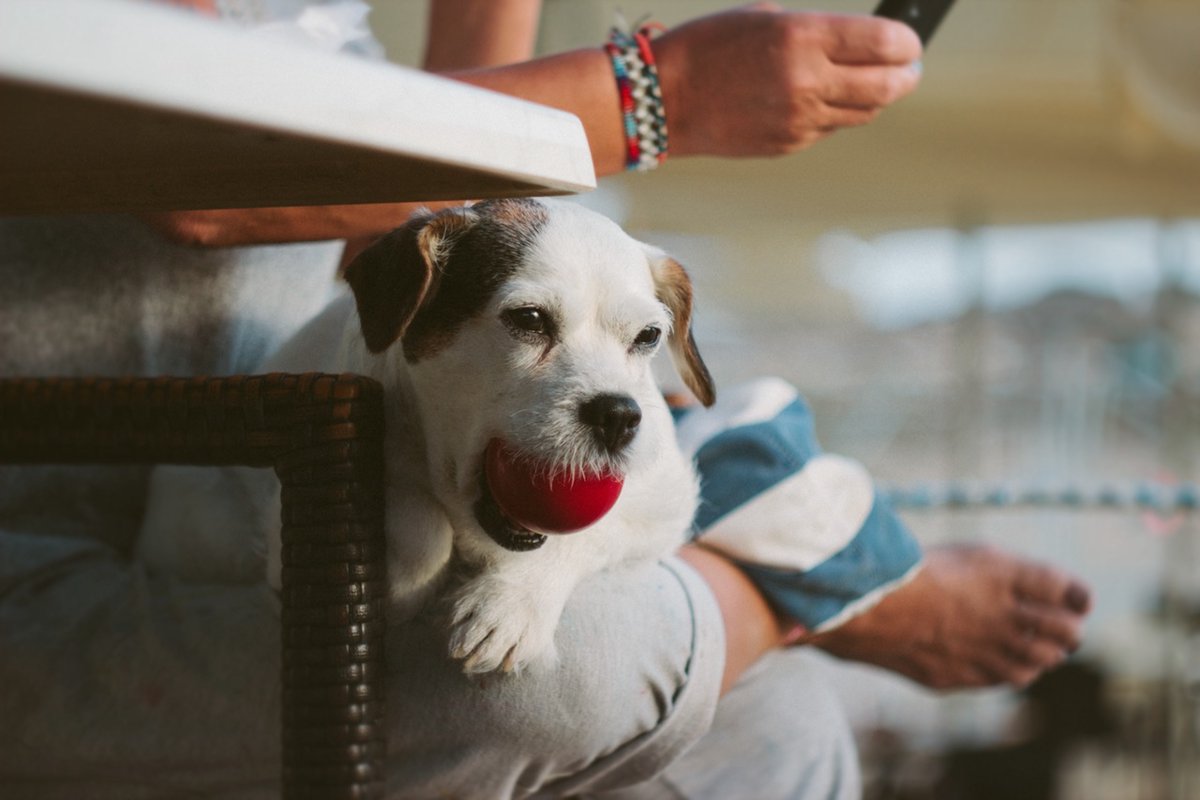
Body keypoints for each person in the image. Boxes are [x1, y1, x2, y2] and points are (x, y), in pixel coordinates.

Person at [0, 1, 1091, 797]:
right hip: (53, 552)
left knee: (780, 728)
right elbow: (200, 168)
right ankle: (803, 583)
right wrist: (662, 91)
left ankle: (761, 567)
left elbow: (484, 213)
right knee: (565, 681)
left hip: (342, 487)